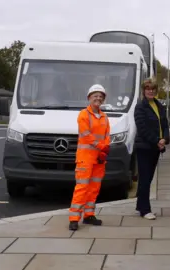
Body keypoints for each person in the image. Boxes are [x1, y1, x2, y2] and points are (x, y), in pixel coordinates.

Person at [69, 84, 111, 231]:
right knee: (82, 188)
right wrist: (102, 148)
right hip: (86, 158)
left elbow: (106, 136)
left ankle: (88, 215)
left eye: (101, 96)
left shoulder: (105, 117)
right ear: (89, 98)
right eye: (95, 96)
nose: (98, 98)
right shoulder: (83, 115)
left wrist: (103, 151)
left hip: (99, 159)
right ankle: (74, 218)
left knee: (94, 188)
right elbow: (86, 136)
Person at [134, 78, 170, 220]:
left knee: (148, 179)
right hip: (144, 147)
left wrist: (165, 139)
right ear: (144, 90)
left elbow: (165, 124)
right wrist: (157, 140)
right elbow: (142, 128)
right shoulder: (140, 107)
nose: (151, 91)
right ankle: (145, 210)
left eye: (153, 89)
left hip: (155, 148)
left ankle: (140, 206)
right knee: (144, 178)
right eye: (148, 88)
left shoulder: (158, 105)